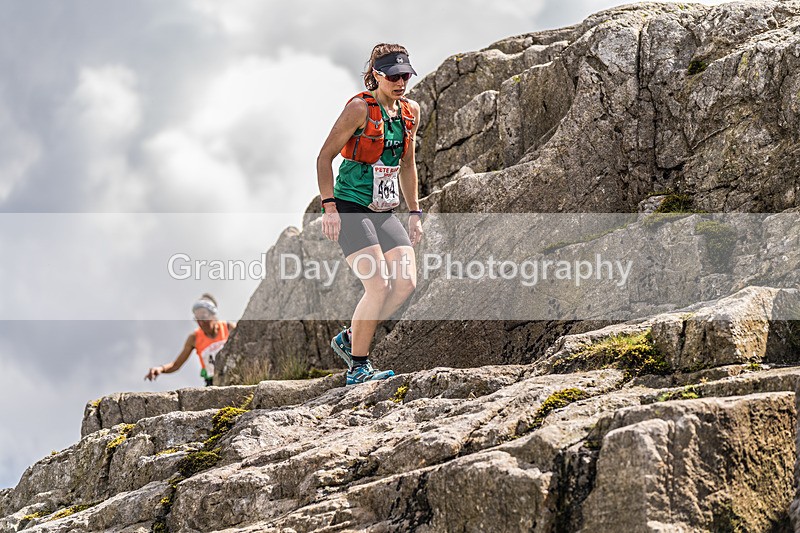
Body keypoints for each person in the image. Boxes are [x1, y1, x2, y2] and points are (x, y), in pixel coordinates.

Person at [316, 43, 424, 385]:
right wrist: (329, 207)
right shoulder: (359, 109)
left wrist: (414, 212)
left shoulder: (411, 112)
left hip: (383, 209)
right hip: (350, 207)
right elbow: (323, 158)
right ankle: (358, 367)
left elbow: (408, 164)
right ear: (377, 75)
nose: (400, 82)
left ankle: (350, 337)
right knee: (378, 285)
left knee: (405, 283)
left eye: (405, 75)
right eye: (393, 76)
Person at [144, 294, 236, 386]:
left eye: (204, 317)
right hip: (213, 382)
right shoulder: (194, 338)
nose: (201, 323)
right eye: (197, 319)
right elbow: (176, 365)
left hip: (233, 375)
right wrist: (160, 369)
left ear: (213, 315)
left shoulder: (228, 328)